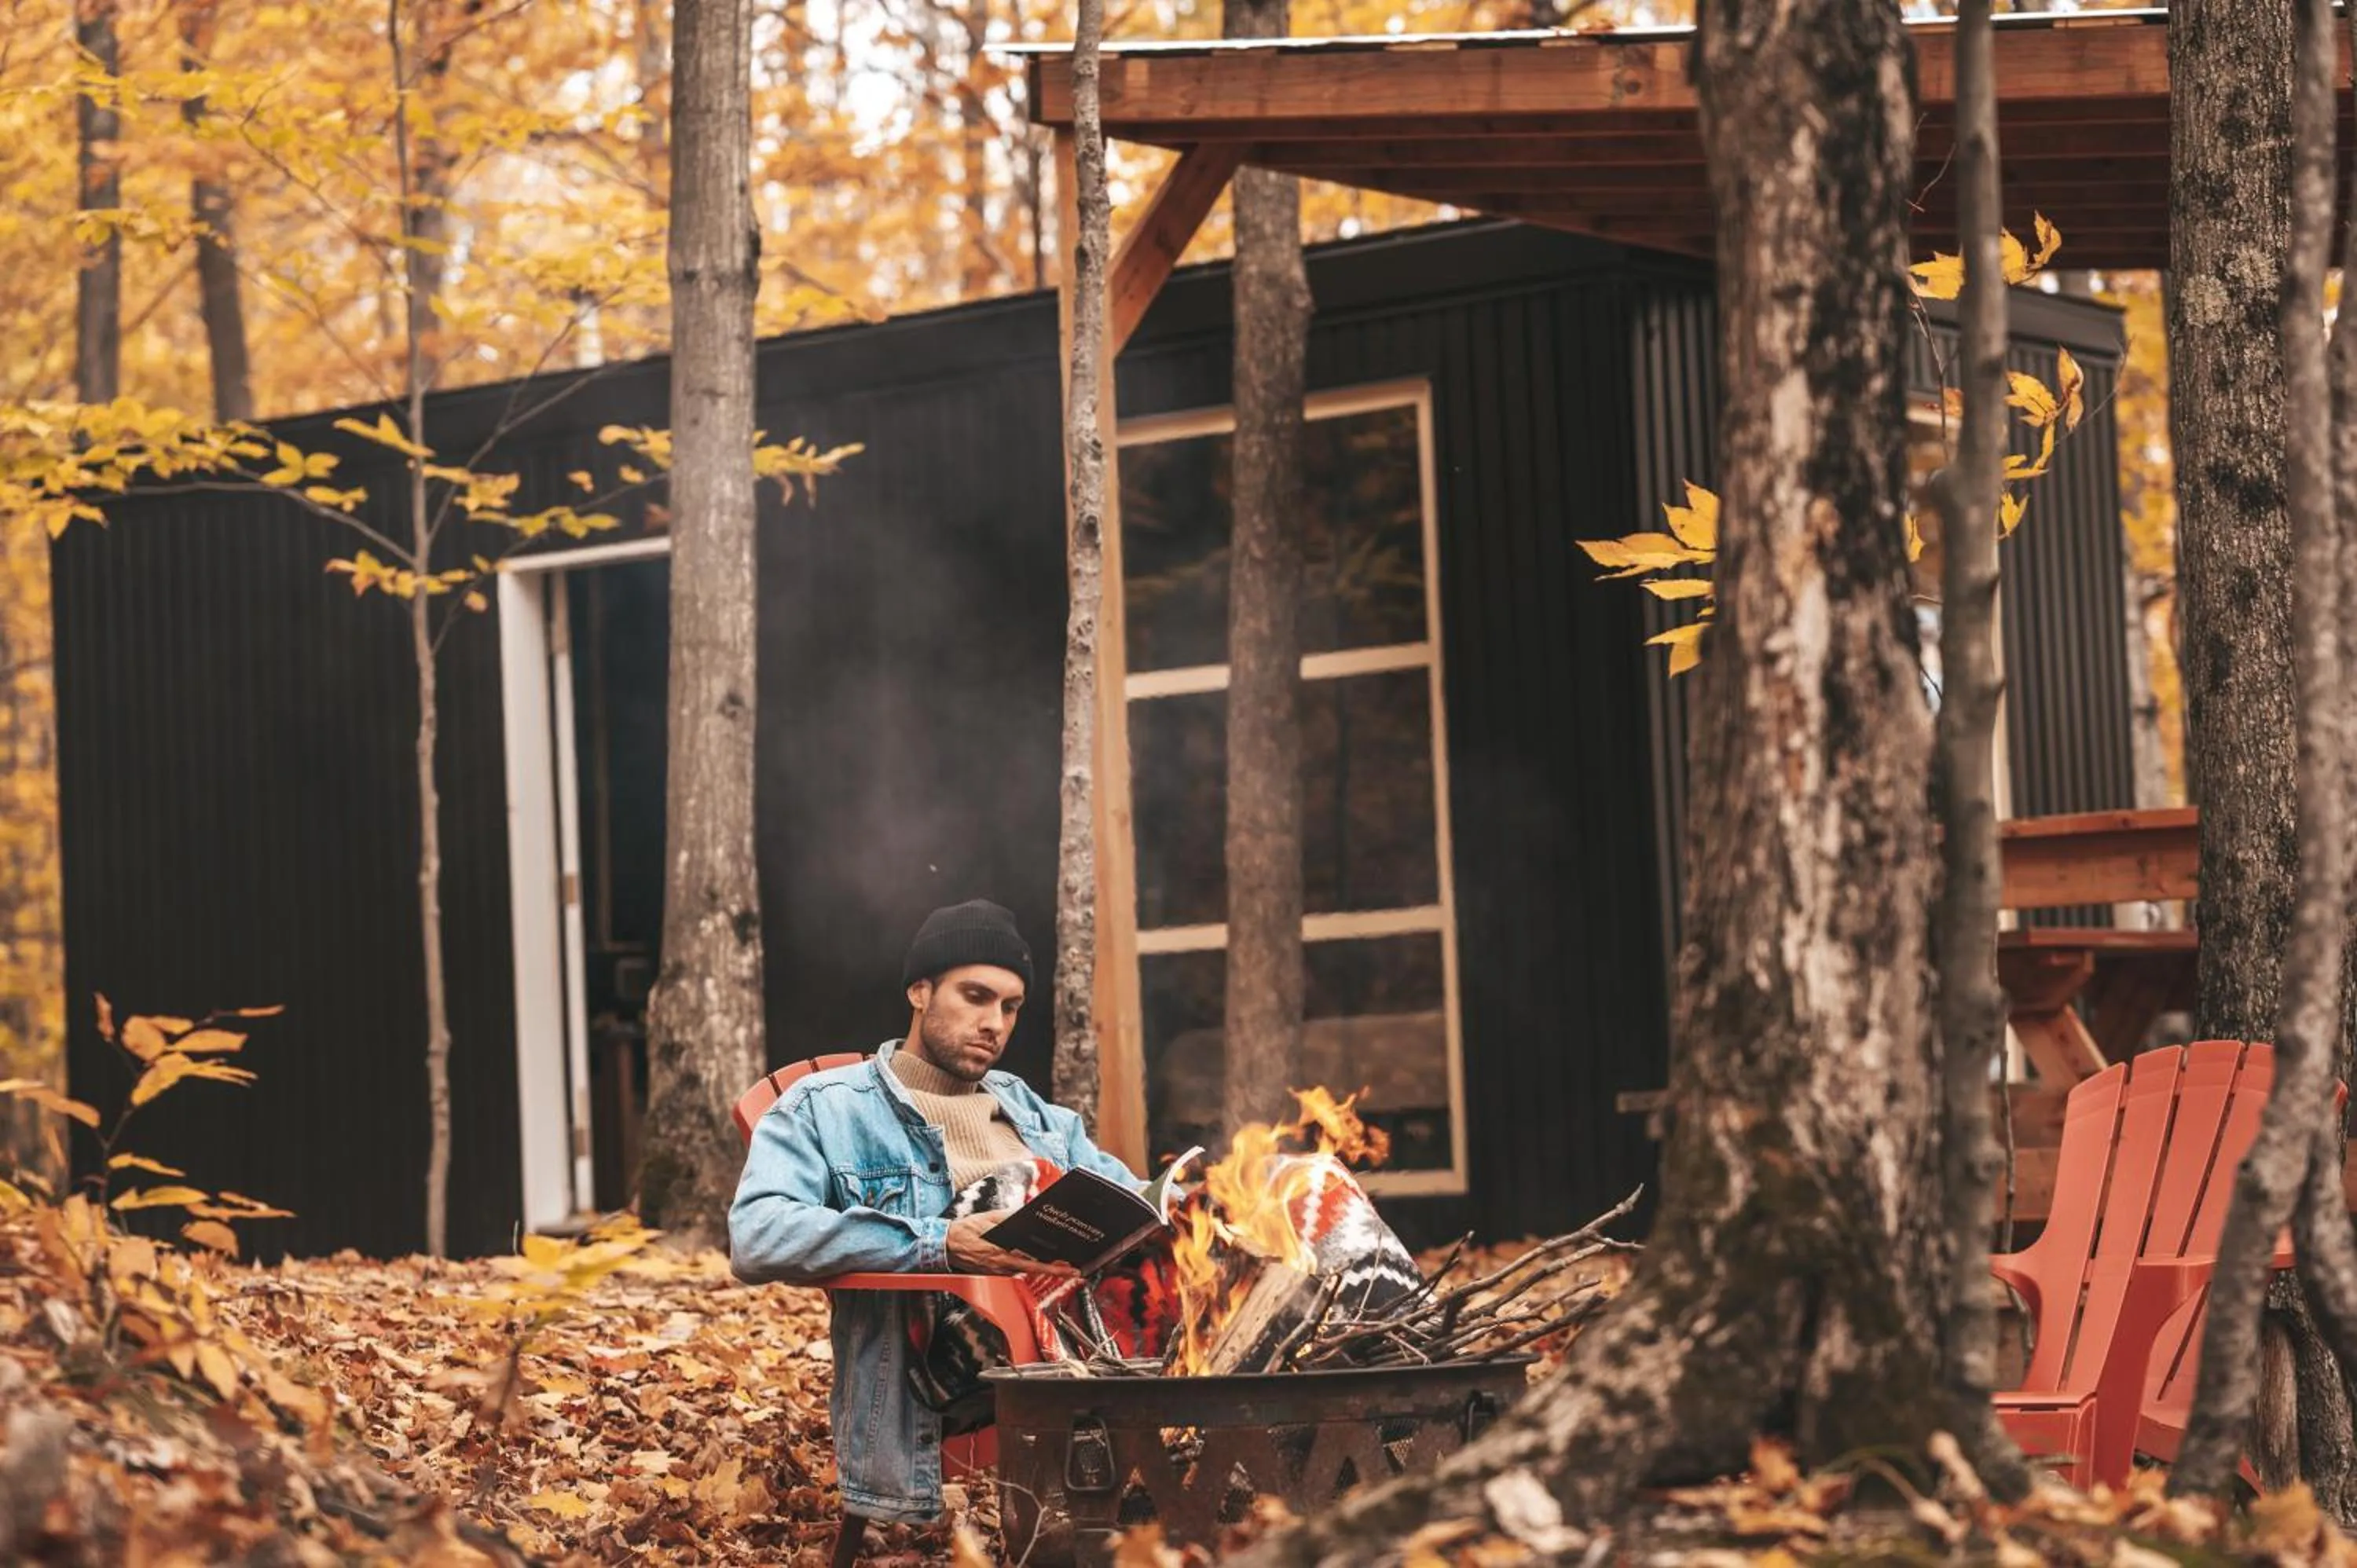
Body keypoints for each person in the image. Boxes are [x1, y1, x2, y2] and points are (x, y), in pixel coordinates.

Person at [728, 899, 1142, 1528]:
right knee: (1018, 1188)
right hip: (950, 1358)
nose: (994, 1024)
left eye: (1009, 1007)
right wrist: (940, 1243)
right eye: (975, 997)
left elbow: (1131, 1199)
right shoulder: (827, 1107)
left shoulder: (1029, 1111)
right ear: (920, 991)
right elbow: (758, 1236)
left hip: (1089, 1328)